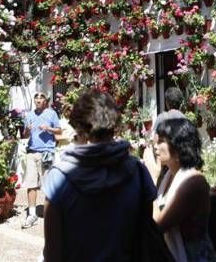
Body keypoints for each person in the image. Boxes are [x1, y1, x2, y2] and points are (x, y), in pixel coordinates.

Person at [42, 90, 157, 262]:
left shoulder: (59, 177)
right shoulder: (137, 171)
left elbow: (52, 252)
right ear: (113, 125)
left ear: (79, 128)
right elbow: (146, 230)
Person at [153, 118, 216, 262]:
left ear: (178, 146)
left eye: (161, 141)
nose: (155, 147)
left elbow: (157, 226)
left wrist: (151, 176)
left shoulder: (193, 181)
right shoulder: (169, 176)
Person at [22, 91, 61, 228]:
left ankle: (48, 214)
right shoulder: (30, 115)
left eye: (41, 97)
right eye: (36, 97)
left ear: (45, 101)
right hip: (32, 152)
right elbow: (25, 135)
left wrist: (48, 128)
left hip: (47, 153)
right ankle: (32, 214)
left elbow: (59, 131)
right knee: (31, 184)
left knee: (47, 185)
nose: (38, 99)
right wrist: (27, 129)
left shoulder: (52, 114)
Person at [144, 87, 187, 183]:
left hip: (165, 164)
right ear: (180, 102)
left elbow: (155, 140)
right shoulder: (185, 119)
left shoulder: (162, 117)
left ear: (167, 102)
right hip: (179, 162)